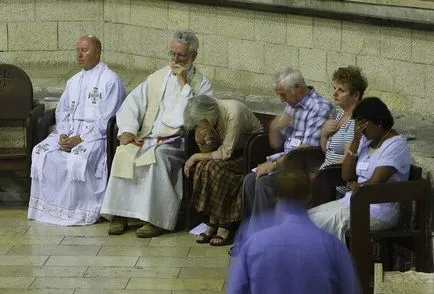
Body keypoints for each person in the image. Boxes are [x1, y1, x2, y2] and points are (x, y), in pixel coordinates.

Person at [100, 30, 213, 238]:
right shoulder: (157, 77)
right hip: (147, 135)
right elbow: (132, 103)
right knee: (124, 151)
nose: (175, 60)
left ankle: (155, 219)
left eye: (181, 56)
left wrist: (184, 85)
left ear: (194, 56)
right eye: (172, 54)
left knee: (156, 158)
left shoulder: (202, 84)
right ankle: (120, 214)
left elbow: (189, 119)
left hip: (177, 143)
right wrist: (127, 130)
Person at [28, 35, 125, 225]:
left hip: (95, 136)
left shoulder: (111, 80)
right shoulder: (73, 81)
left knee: (77, 159)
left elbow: (108, 119)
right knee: (41, 151)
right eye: (77, 50)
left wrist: (79, 138)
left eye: (84, 50)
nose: (79, 54)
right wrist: (64, 134)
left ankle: (79, 211)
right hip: (71, 131)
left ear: (98, 53)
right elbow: (62, 111)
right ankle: (48, 210)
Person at [228, 157, 362, 294]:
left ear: (276, 194)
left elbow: (236, 290)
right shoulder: (333, 246)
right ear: (308, 195)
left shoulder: (253, 241)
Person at [241, 68, 335, 229]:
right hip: (286, 161)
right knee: (249, 181)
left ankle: (264, 240)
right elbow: (275, 144)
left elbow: (307, 151)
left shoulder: (320, 108)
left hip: (304, 168)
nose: (281, 100)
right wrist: (274, 128)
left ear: (298, 88)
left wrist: (274, 165)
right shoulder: (291, 104)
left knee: (264, 183)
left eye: (283, 94)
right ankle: (251, 236)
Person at [308, 97, 411, 242]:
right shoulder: (365, 140)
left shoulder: (395, 145)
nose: (360, 131)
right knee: (306, 219)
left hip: (377, 210)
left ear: (379, 123)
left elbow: (374, 184)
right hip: (353, 201)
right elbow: (346, 175)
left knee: (323, 223)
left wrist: (356, 186)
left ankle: (331, 263)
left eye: (363, 126)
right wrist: (355, 142)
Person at [183, 95, 263, 246]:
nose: (199, 127)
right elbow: (211, 150)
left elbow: (225, 153)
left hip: (249, 153)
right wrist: (201, 140)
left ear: (209, 117)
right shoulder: (206, 119)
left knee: (215, 168)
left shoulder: (233, 113)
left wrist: (196, 156)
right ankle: (213, 219)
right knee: (202, 166)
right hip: (227, 153)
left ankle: (225, 223)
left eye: (201, 124)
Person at [319, 65, 368, 195]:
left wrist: (320, 175)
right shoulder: (340, 113)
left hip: (337, 185)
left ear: (356, 95)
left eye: (341, 90)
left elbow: (347, 160)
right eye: (334, 88)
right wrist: (324, 134)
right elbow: (328, 151)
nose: (334, 93)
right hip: (325, 178)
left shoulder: (354, 122)